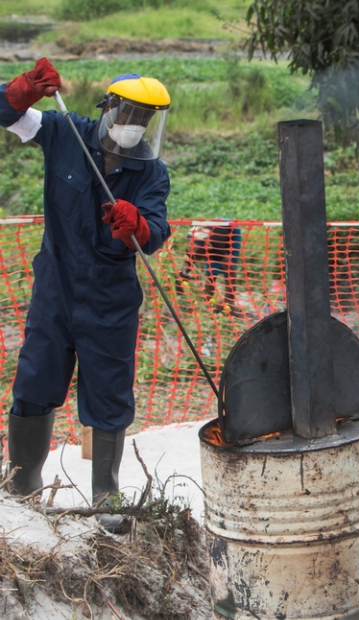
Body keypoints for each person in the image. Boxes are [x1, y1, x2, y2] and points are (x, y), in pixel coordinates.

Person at [0, 59, 172, 529]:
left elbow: (156, 231)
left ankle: (105, 496)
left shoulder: (151, 175)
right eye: (129, 114)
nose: (134, 126)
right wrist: (20, 92)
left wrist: (136, 225)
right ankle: (22, 485)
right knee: (34, 383)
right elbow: (6, 114)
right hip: (54, 292)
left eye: (144, 120)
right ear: (109, 108)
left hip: (110, 303)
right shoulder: (64, 134)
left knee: (110, 396)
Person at [176, 220, 244, 318]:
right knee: (211, 270)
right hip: (212, 229)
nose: (197, 258)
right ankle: (209, 304)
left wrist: (228, 298)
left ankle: (230, 304)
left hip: (231, 229)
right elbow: (188, 262)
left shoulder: (215, 246)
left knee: (225, 266)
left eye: (199, 255)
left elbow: (231, 271)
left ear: (207, 248)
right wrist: (184, 273)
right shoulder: (191, 242)